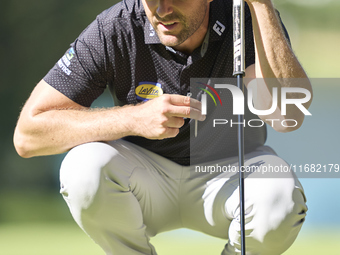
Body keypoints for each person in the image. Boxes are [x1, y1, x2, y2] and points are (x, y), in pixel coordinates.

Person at [14, 0, 312, 254]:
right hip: (144, 177)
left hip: (230, 172)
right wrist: (133, 118)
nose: (162, 10)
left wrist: (261, 5)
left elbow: (288, 117)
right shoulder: (115, 26)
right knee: (83, 167)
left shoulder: (244, 16)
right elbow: (28, 136)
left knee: (280, 194)